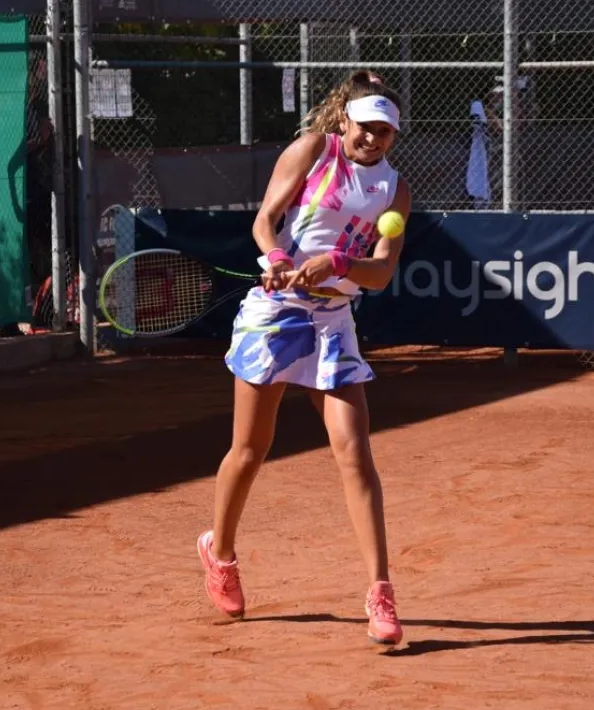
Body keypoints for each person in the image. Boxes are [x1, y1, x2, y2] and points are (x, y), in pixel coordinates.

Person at [196, 70, 412, 646]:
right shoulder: (312, 150)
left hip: (334, 322)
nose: (373, 139)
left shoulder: (394, 190)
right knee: (250, 449)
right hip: (278, 315)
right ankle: (219, 553)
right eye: (365, 127)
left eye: (384, 132)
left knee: (355, 453)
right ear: (345, 120)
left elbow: (383, 273)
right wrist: (273, 258)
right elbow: (266, 220)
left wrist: (337, 265)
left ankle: (381, 593)